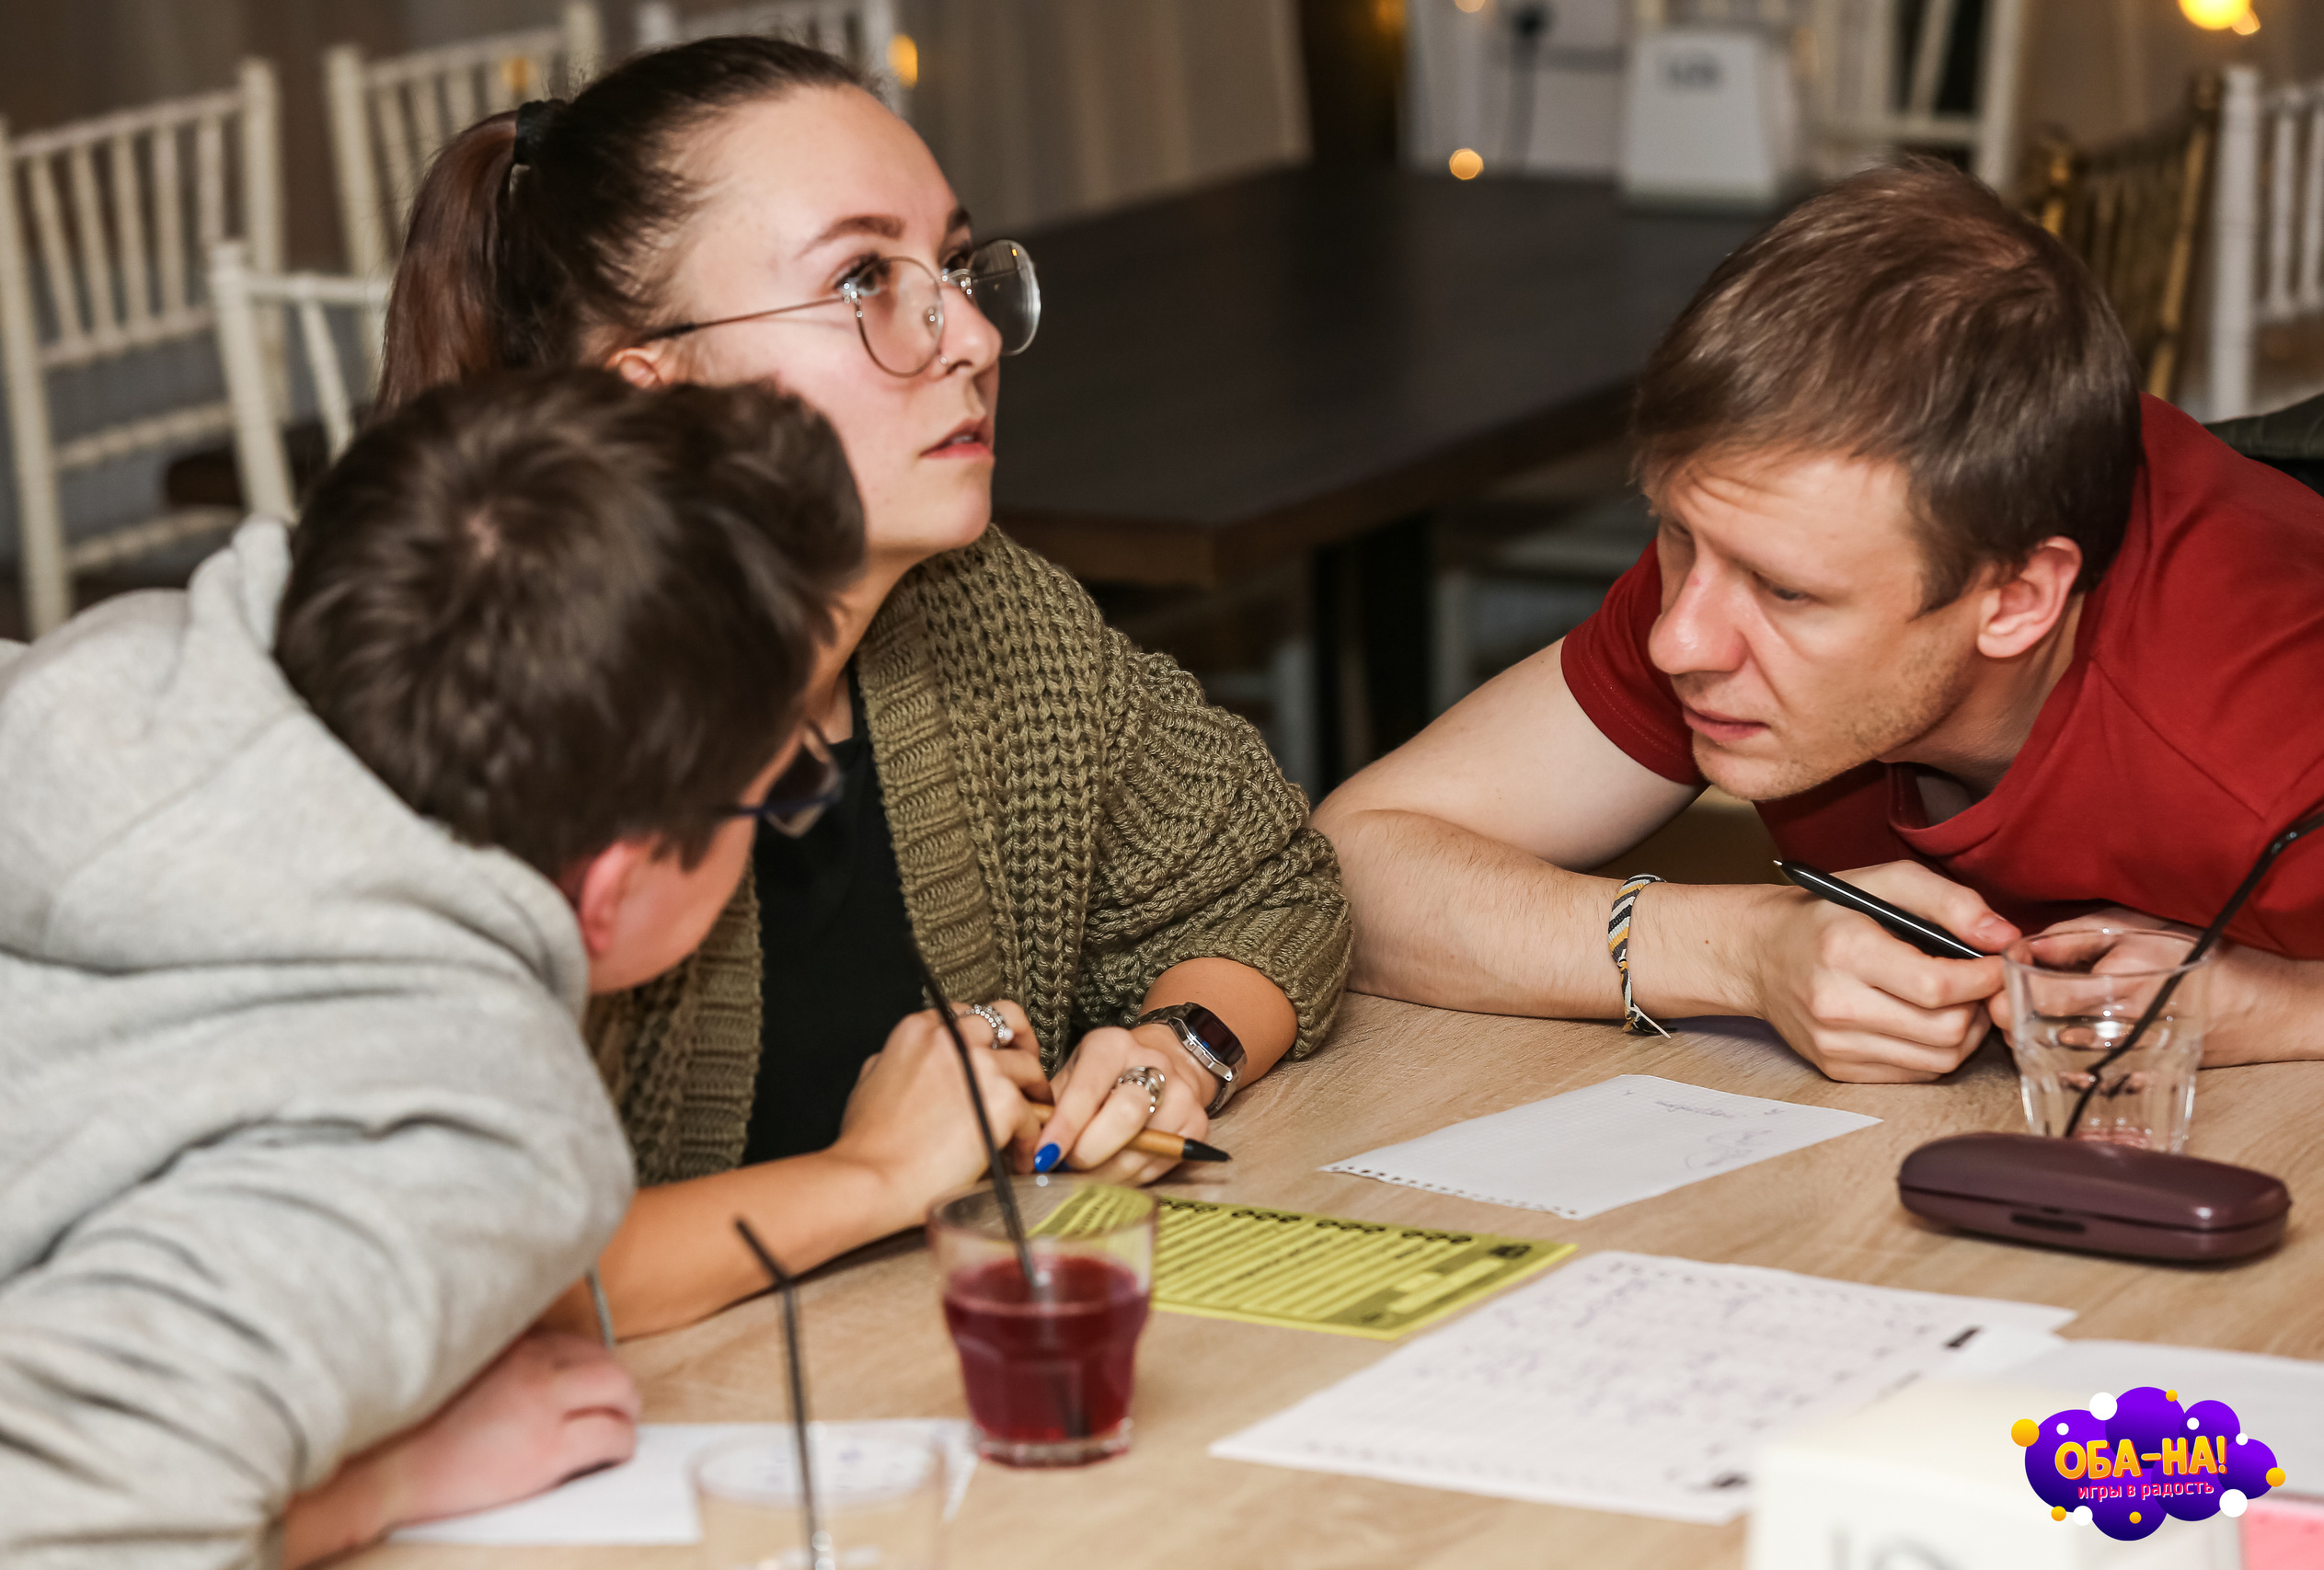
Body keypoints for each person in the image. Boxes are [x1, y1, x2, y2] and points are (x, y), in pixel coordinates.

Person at [374, 36, 1352, 1340]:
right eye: (861, 280)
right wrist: (874, 1175)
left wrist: (1177, 1049)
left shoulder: (980, 613)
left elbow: (1266, 883)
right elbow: (453, 1258)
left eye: (953, 267)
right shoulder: (488, 722)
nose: (976, 337)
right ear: (655, 394)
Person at [0, 369, 865, 1565]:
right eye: (772, 791)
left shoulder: (39, 695)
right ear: (613, 884)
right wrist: (390, 1478)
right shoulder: (462, 1122)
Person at [1317, 159, 2324, 1082]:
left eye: (1786, 593)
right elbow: (1346, 867)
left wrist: (2285, 1004)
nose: (1677, 642)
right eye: (1676, 533)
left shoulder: (2265, 752)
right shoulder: (1760, 536)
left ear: (2017, 599)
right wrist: (1744, 951)